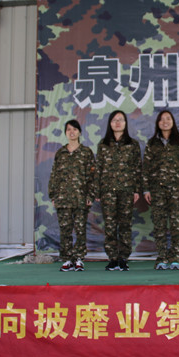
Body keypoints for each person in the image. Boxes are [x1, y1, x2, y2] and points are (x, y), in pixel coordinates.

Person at [143, 110, 179, 270]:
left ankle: (176, 258)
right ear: (158, 123)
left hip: (176, 190)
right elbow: (146, 168)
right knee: (160, 225)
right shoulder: (152, 144)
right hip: (156, 190)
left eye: (168, 119)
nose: (165, 122)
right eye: (162, 119)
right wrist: (146, 190)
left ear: (173, 122)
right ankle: (162, 258)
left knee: (176, 224)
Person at [95, 110, 142, 271]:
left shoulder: (132, 144)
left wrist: (136, 190)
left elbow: (137, 168)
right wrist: (97, 191)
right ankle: (112, 258)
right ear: (110, 123)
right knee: (109, 225)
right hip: (107, 191)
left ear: (125, 123)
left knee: (125, 225)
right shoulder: (103, 144)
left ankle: (123, 258)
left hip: (126, 190)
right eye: (114, 120)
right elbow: (98, 169)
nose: (117, 123)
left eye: (120, 120)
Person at [47, 119, 95, 272]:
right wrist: (53, 195)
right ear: (65, 133)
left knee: (80, 230)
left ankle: (79, 258)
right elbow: (54, 175)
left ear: (80, 132)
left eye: (75, 129)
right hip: (63, 198)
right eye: (69, 129)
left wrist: (90, 195)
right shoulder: (60, 153)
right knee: (65, 230)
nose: (72, 132)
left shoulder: (86, 152)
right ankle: (67, 259)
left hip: (81, 198)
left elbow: (92, 176)